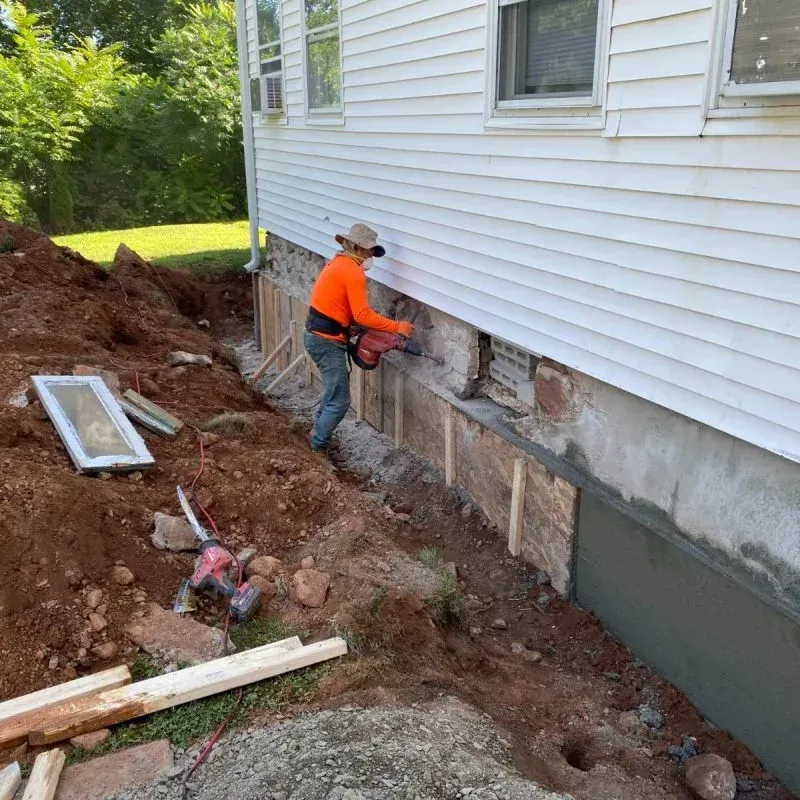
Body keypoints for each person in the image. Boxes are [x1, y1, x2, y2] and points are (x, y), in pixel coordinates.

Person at [304, 223, 415, 455]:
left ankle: (317, 433)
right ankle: (316, 449)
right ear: (355, 247)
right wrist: (398, 327)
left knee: (333, 391)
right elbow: (363, 315)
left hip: (320, 334)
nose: (370, 257)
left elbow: (334, 306)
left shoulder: (337, 264)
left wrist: (347, 327)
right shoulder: (353, 272)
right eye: (368, 252)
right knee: (340, 400)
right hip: (325, 341)